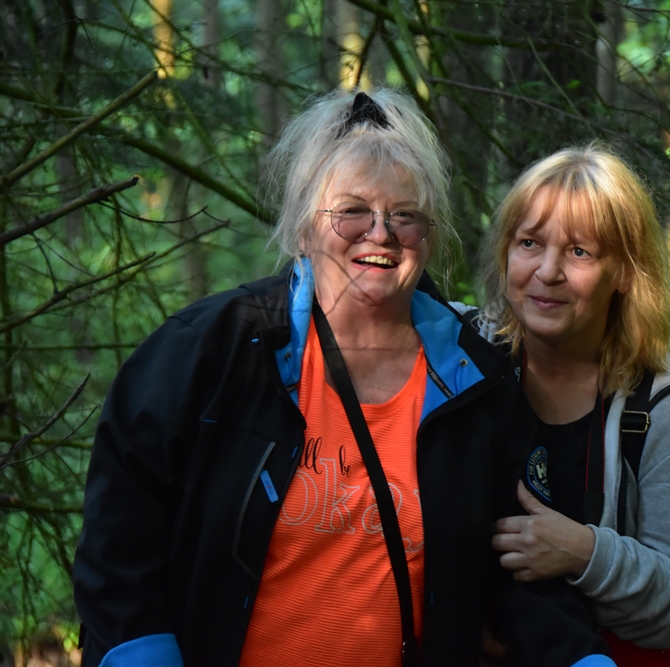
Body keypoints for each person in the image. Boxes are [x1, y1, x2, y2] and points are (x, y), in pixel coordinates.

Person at [73, 90, 612, 667]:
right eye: (352, 211)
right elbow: (120, 545)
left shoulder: (475, 379)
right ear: (304, 228)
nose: (380, 233)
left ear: (428, 237)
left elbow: (515, 567)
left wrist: (581, 658)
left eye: (404, 215)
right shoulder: (210, 352)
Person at [479, 144, 670, 664]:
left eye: (580, 252)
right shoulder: (457, 362)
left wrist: (585, 554)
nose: (547, 271)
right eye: (529, 243)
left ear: (625, 273)